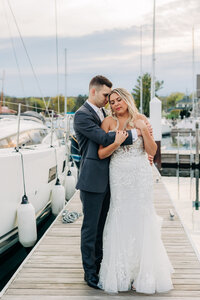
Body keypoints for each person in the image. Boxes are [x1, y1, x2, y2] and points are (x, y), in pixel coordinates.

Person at [98, 88, 174, 294]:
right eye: (112, 102)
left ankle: (143, 272)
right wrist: (116, 142)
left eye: (119, 100)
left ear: (127, 100)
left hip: (141, 175)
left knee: (142, 216)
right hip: (119, 175)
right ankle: (123, 272)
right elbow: (102, 154)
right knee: (120, 215)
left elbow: (152, 151)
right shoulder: (108, 123)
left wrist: (144, 130)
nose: (115, 104)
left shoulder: (141, 119)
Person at [73, 76, 142, 289]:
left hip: (111, 179)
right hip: (92, 179)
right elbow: (103, 139)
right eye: (105, 96)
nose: (107, 101)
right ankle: (90, 274)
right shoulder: (81, 116)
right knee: (90, 229)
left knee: (103, 227)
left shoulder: (102, 113)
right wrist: (137, 133)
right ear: (93, 92)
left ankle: (101, 266)